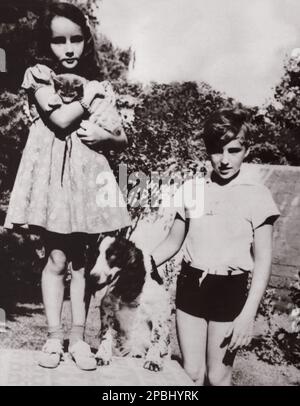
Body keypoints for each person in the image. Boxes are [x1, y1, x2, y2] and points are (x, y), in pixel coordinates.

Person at [4, 2, 131, 370]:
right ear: (48, 44)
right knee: (57, 259)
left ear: (86, 42)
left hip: (86, 178)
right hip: (53, 180)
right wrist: (90, 97)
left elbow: (122, 138)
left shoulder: (100, 82)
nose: (69, 48)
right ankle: (53, 337)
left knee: (81, 262)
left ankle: (78, 339)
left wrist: (105, 134)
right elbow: (59, 119)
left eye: (76, 39)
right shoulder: (39, 74)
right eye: (59, 41)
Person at [150, 107, 280, 385]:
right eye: (216, 150)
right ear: (206, 149)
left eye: (233, 150)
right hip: (191, 284)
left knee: (218, 377)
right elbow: (173, 241)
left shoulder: (258, 195)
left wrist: (248, 314)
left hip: (230, 291)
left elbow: (264, 261)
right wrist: (140, 263)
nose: (223, 160)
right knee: (192, 375)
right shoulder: (193, 189)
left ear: (247, 150)